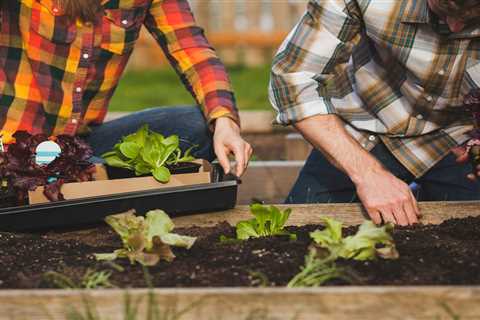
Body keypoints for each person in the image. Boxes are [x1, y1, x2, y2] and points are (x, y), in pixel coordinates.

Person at [269, 0, 480, 226]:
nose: (455, 27)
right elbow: (293, 77)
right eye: (445, 9)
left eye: (471, 16)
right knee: (298, 234)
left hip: (456, 137)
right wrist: (368, 174)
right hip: (365, 127)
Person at [0, 0, 252, 176]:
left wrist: (224, 121)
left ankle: (88, 185)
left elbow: (190, 49)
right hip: (13, 148)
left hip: (77, 144)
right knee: (96, 173)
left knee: (198, 126)